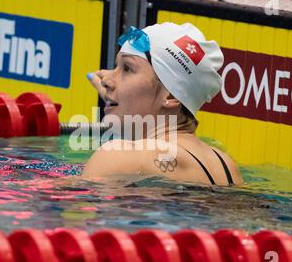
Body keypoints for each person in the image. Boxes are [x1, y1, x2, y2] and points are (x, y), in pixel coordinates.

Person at [82, 22, 243, 186]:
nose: (107, 81)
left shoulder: (117, 156)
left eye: (127, 68)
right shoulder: (227, 167)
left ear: (171, 96)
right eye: (116, 67)